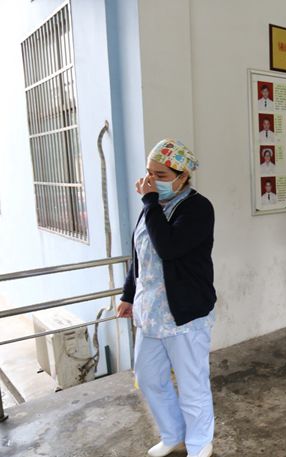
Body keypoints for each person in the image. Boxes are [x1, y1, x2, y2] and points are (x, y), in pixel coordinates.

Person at [117, 139, 215, 457]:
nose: (150, 180)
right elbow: (140, 253)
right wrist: (128, 295)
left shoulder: (198, 208)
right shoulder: (153, 206)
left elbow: (169, 248)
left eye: (160, 174)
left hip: (185, 314)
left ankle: (200, 443)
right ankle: (172, 433)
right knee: (148, 377)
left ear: (182, 176)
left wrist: (149, 202)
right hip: (151, 313)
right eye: (149, 172)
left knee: (192, 383)